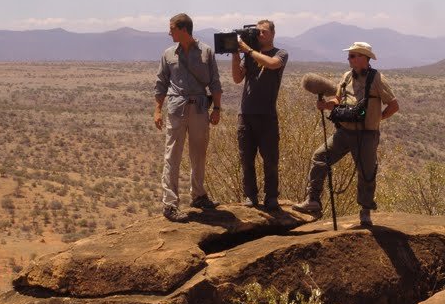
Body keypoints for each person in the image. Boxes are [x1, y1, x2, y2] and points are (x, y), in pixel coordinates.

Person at [292, 42, 399, 226]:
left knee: (366, 173)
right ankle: (313, 201)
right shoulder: (346, 76)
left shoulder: (377, 79)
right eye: (349, 56)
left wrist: (377, 119)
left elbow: (394, 105)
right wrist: (327, 104)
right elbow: (338, 98)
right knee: (320, 157)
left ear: (363, 58)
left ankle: (365, 212)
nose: (348, 59)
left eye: (352, 56)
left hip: (366, 135)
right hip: (345, 132)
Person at [154, 13, 223, 222]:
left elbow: (215, 83)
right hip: (176, 108)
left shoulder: (206, 52)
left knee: (198, 155)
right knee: (172, 156)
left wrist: (217, 109)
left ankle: (199, 196)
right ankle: (170, 204)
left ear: (183, 29)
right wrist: (157, 109)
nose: (169, 32)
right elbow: (161, 83)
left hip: (200, 108)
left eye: (172, 28)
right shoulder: (168, 54)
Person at [231, 20, 288, 211]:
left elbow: (271, 64)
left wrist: (248, 51)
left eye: (264, 32)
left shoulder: (280, 53)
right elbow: (237, 78)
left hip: (267, 114)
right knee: (246, 158)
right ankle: (250, 195)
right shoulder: (249, 55)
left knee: (270, 159)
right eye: (258, 32)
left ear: (273, 34)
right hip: (246, 113)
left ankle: (271, 197)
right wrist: (235, 54)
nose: (260, 35)